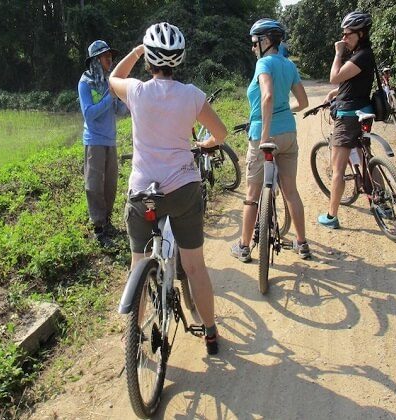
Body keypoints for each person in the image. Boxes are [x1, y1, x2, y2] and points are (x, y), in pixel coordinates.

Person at [109, 22, 227, 355]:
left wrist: (134, 52)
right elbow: (220, 134)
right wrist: (206, 144)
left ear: (149, 60)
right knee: (195, 267)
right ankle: (210, 332)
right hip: (182, 192)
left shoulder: (136, 91)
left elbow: (111, 79)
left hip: (143, 194)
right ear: (179, 60)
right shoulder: (191, 95)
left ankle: (133, 339)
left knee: (138, 263)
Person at [230, 18, 310, 263]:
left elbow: (267, 96)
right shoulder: (288, 65)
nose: (253, 48)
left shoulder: (264, 63)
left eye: (255, 42)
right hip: (288, 133)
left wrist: (265, 134)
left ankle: (244, 246)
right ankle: (302, 243)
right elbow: (303, 102)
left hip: (264, 136)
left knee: (252, 194)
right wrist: (284, 112)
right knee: (291, 191)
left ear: (265, 41)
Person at [318, 11, 375, 229]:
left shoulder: (360, 55)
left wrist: (338, 54)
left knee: (338, 170)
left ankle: (331, 216)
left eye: (347, 34)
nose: (344, 39)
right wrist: (334, 95)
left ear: (360, 33)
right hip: (361, 112)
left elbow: (335, 77)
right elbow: (352, 84)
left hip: (349, 116)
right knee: (366, 159)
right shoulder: (364, 54)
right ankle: (380, 200)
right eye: (343, 35)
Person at [78, 40, 128, 247]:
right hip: (94, 141)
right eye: (106, 57)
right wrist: (110, 97)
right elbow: (89, 115)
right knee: (94, 185)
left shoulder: (109, 82)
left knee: (110, 184)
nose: (110, 60)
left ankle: (107, 222)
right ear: (96, 60)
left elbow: (119, 110)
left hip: (110, 140)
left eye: (110, 57)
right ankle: (99, 228)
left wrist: (131, 102)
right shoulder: (85, 83)